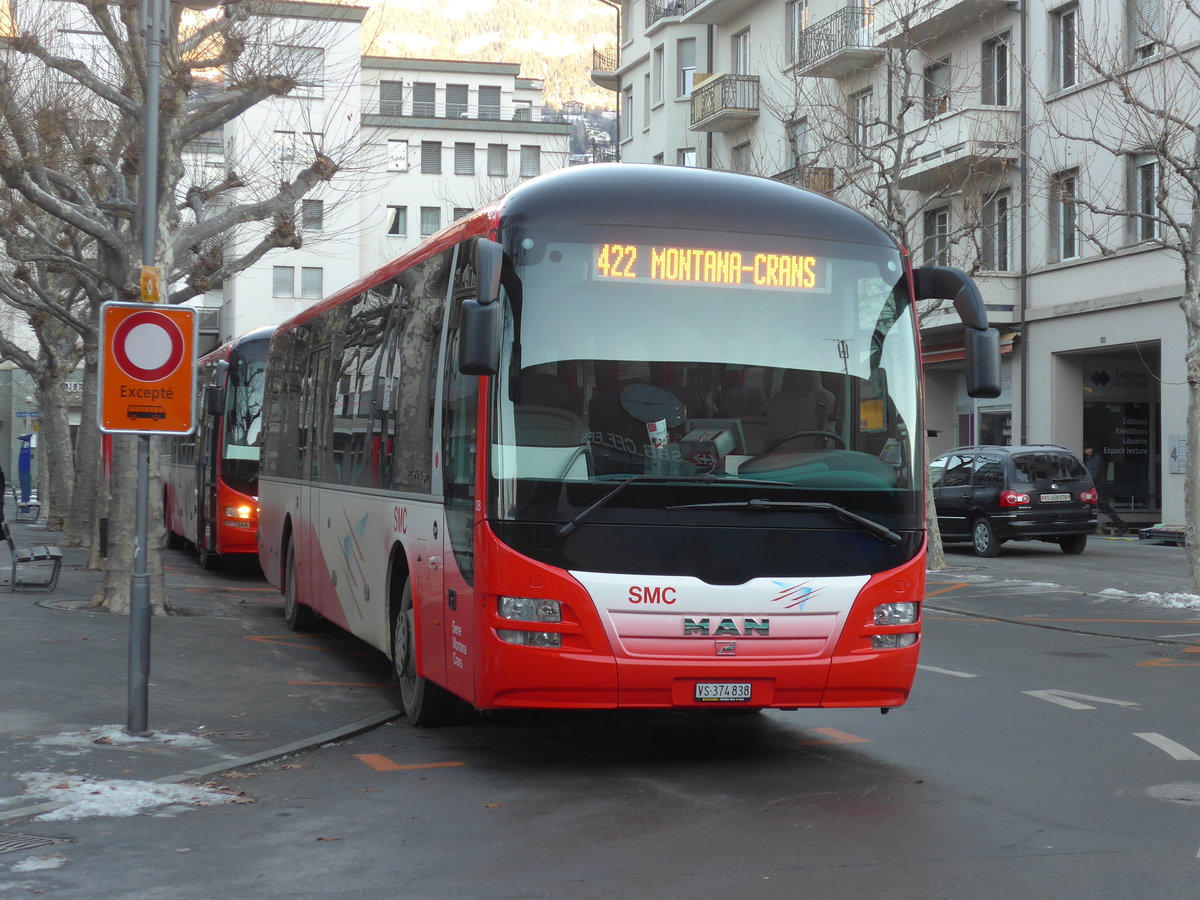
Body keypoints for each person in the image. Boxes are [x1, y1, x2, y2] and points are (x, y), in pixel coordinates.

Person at [1083, 444, 1127, 534]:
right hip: (1092, 488)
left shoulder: (1098, 458)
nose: (1087, 451)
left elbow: (1095, 474)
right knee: (1090, 508)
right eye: (1085, 449)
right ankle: (1089, 528)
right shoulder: (1088, 459)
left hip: (1099, 488)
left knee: (1105, 508)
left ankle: (1122, 526)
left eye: (1089, 449)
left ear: (1093, 449)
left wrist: (1085, 479)